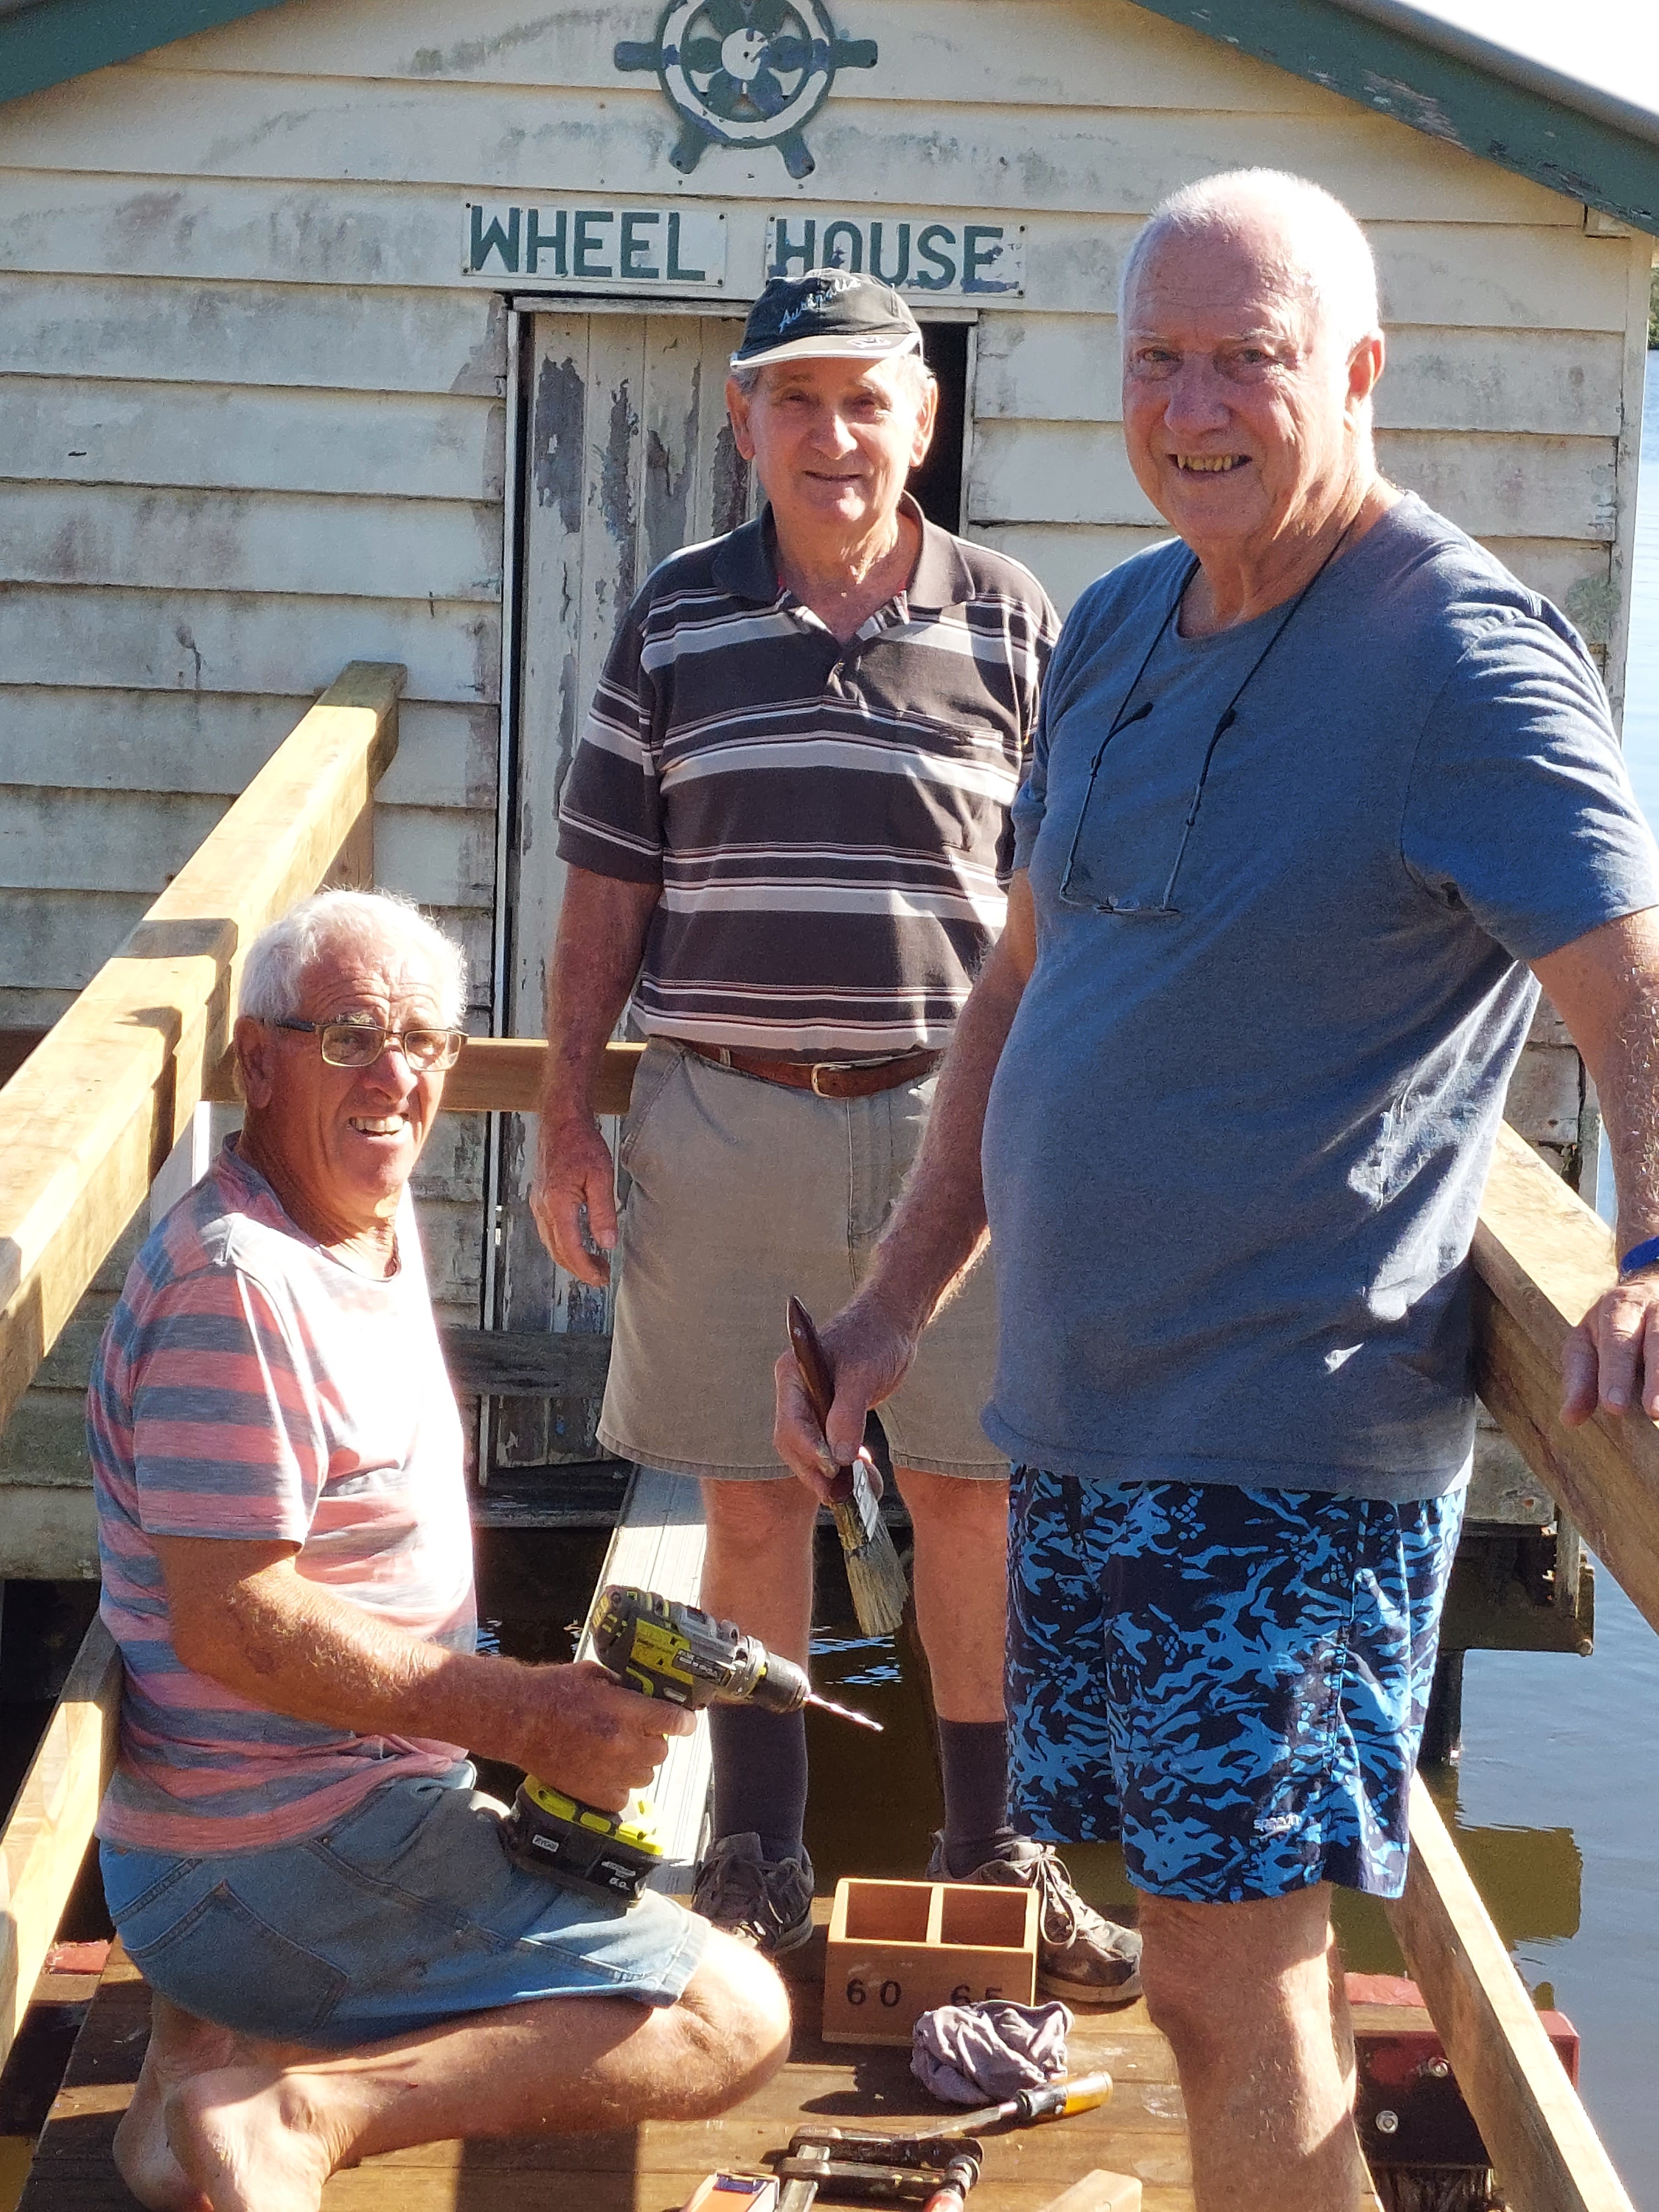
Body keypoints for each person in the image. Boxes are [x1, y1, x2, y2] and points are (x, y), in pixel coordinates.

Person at [774, 171, 1659, 2212]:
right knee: (1183, 1974)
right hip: (1089, 1408)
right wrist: (906, 1298)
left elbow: (1630, 978)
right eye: (1158, 358)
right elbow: (1020, 983)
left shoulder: (1465, 655)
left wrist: (1649, 1239)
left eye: (1246, 359)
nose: (1195, 404)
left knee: (1235, 1980)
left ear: (1351, 373)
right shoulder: (1116, 624)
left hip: (1286, 1436)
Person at [532, 268, 1140, 2000]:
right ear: (744, 426)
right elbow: (603, 888)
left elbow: (1070, 906)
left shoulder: (1019, 616)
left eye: (866, 400)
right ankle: (756, 1846)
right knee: (744, 1496)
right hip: (723, 1112)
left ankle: (990, 1843)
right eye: (793, 401)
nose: (832, 435)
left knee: (972, 1494)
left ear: (922, 422)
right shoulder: (672, 616)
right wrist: (567, 1118)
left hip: (957, 1143)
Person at [89, 889, 789, 2212]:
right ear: (259, 1057)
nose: (398, 1078)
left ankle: (201, 2079)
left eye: (428, 1042)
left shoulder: (357, 1218)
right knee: (730, 2016)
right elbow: (232, 1619)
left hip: (305, 1824)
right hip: (273, 1851)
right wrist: (528, 1716)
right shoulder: (242, 1281)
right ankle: (304, 2113)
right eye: (349, 1036)